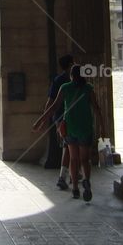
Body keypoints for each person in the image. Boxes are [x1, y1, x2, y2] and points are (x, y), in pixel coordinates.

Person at [34, 64, 106, 202]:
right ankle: (87, 181)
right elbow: (97, 109)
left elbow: (54, 107)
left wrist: (40, 121)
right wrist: (103, 127)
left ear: (71, 76)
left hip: (70, 128)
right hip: (85, 128)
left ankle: (75, 189)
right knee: (85, 159)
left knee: (73, 159)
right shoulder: (88, 88)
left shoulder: (65, 87)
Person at [39, 54, 75, 188]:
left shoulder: (58, 80)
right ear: (71, 65)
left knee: (69, 147)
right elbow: (52, 102)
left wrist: (45, 118)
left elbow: (50, 101)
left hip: (59, 118)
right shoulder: (71, 81)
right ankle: (65, 176)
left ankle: (71, 174)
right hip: (65, 118)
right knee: (69, 147)